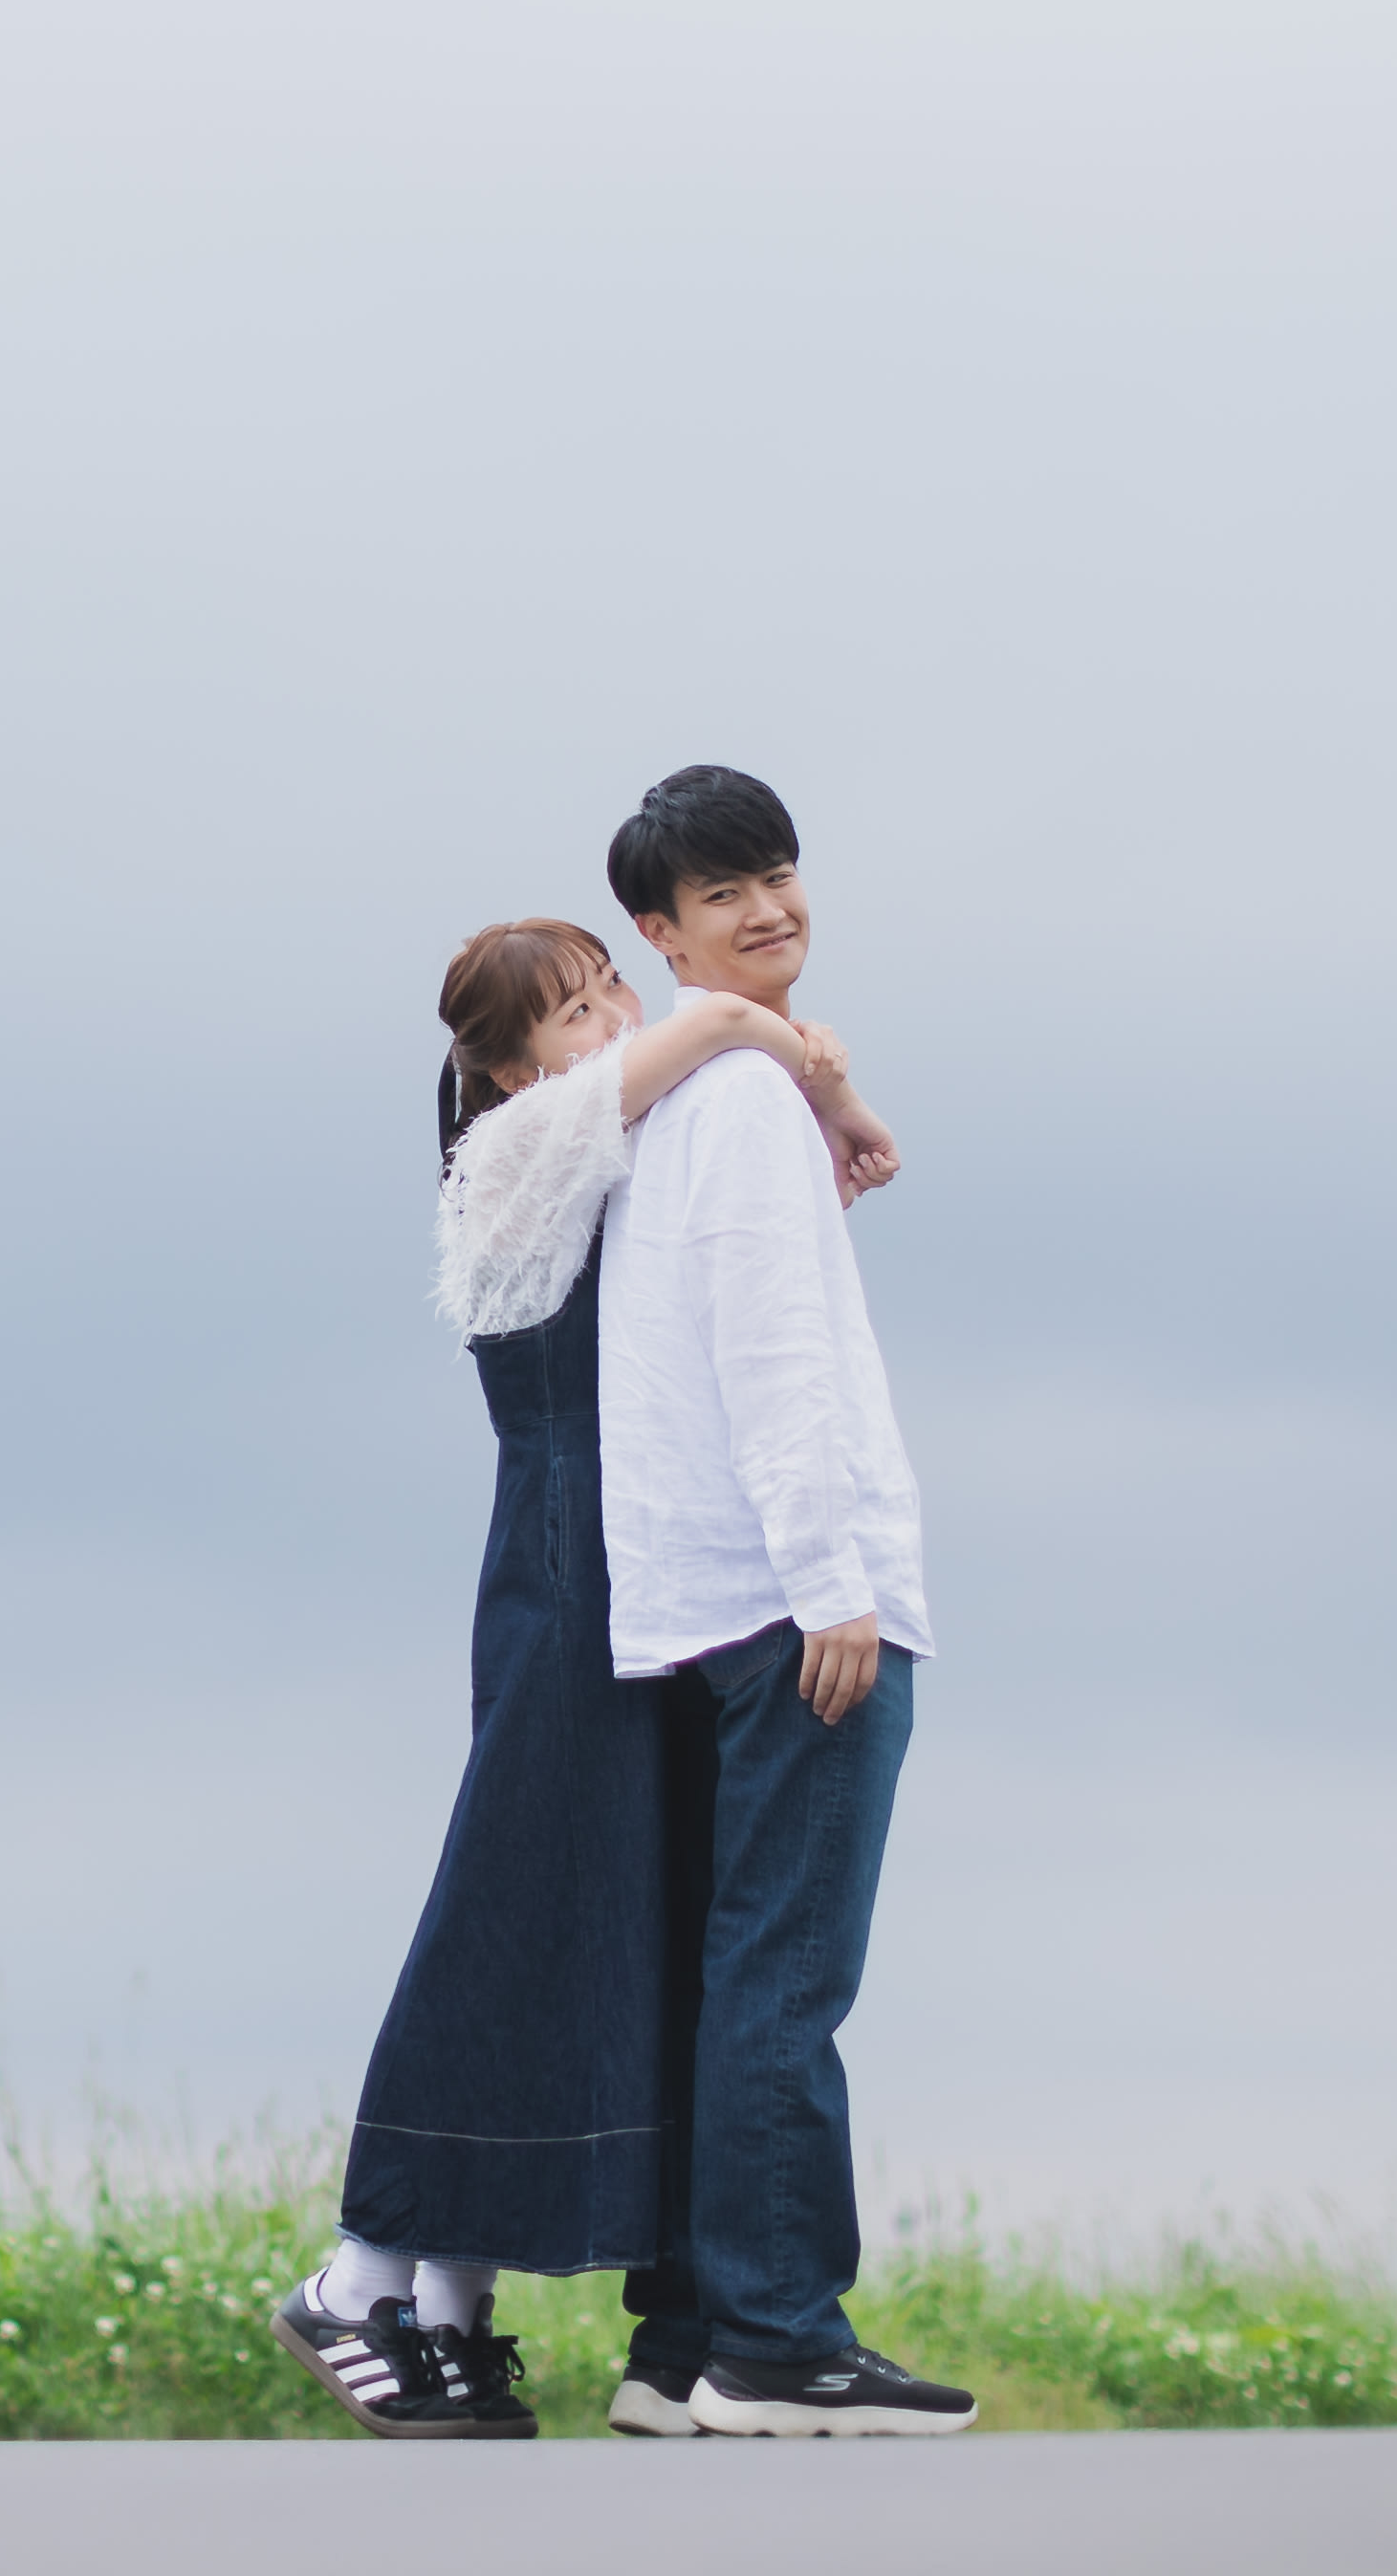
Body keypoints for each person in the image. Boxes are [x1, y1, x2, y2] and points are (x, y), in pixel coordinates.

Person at [270, 914, 895, 2438]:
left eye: (611, 984)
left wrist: (813, 1090)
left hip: (653, 1566)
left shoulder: (626, 1135)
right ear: (503, 1068)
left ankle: (454, 2301)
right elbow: (712, 1029)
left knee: (612, 1931)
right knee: (512, 1909)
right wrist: (773, 1041)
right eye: (571, 1009)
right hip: (564, 1573)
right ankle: (361, 2273)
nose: (613, 1015)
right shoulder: (515, 1146)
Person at [595, 763, 973, 2435]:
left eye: (779, 873)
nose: (768, 910)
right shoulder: (739, 1098)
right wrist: (835, 1580)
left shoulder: (685, 1097)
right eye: (723, 894)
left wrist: (822, 1082)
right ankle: (777, 2340)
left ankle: (682, 2344)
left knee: (722, 1973)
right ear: (660, 932)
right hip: (792, 1600)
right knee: (786, 1980)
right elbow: (774, 1351)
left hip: (696, 1603)